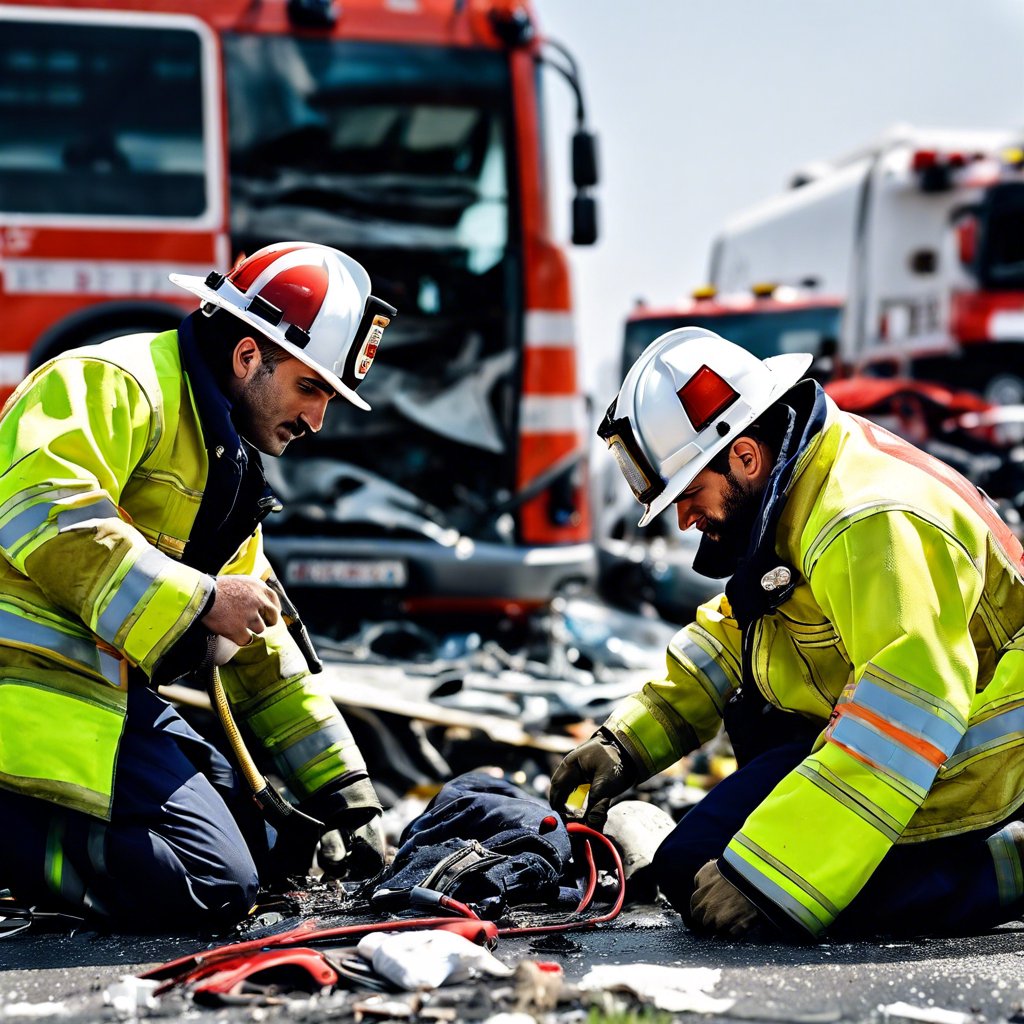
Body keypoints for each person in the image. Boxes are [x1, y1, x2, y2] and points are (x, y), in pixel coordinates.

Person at [550, 327, 1024, 941]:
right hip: (891, 741)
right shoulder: (794, 487)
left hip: (974, 758)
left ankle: (1007, 863)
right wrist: (627, 743)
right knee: (689, 869)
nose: (684, 518)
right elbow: (737, 632)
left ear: (745, 455)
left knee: (765, 894)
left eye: (689, 493)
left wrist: (771, 877)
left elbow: (907, 708)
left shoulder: (867, 517)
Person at [0, 241, 397, 930]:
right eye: (311, 388)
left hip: (87, 699)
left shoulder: (225, 464)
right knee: (214, 884)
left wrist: (345, 796)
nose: (317, 421)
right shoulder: (109, 382)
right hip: (25, 695)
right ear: (248, 356)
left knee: (269, 849)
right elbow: (47, 515)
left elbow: (261, 649)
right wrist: (202, 600)